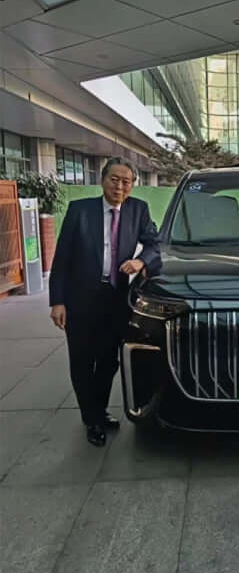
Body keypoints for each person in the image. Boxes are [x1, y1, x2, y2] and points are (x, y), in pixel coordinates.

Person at [49, 157, 161, 447]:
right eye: (114, 179)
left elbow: (154, 244)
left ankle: (97, 411)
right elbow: (62, 259)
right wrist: (57, 301)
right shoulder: (80, 210)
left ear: (132, 185)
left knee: (109, 361)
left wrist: (140, 261)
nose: (120, 186)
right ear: (102, 180)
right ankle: (92, 419)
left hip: (115, 299)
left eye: (126, 181)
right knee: (82, 362)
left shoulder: (138, 209)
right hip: (80, 299)